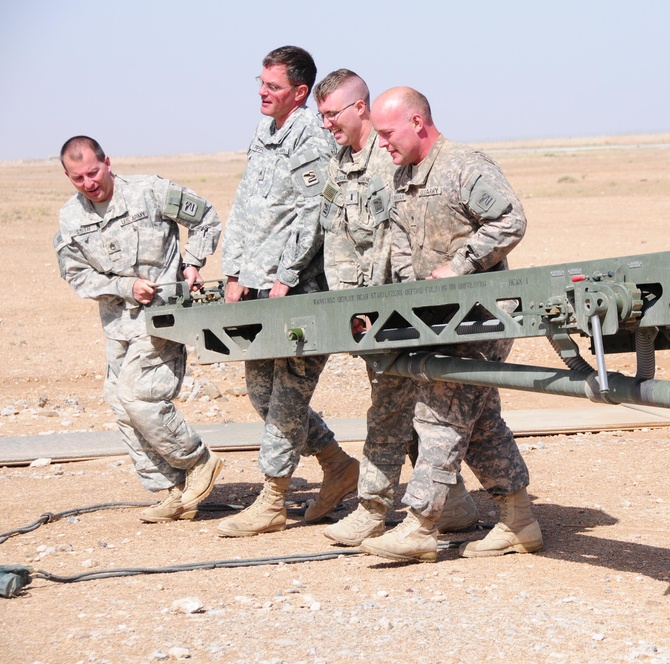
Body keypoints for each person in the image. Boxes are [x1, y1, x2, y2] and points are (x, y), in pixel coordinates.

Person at [359, 87, 543, 562]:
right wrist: (404, 297)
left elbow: (510, 219)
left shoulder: (465, 165)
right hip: (434, 322)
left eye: (387, 133)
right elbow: (401, 244)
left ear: (417, 122)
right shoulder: (402, 177)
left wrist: (461, 265)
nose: (382, 144)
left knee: (439, 414)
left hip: (480, 318)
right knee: (479, 422)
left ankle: (420, 526)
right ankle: (519, 520)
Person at [311, 70, 479, 547]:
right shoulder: (338, 164)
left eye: (332, 115)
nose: (326, 125)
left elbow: (401, 242)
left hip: (396, 311)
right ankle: (456, 508)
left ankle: (374, 508)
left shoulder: (393, 161)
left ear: (359, 108)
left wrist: (398, 302)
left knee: (394, 411)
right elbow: (335, 236)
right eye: (320, 116)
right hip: (362, 312)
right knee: (407, 410)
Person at [218, 46, 358, 537]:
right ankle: (337, 463)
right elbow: (246, 202)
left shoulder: (311, 139)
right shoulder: (265, 132)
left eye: (273, 86)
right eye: (260, 82)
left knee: (287, 400)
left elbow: (313, 213)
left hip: (298, 292)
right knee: (260, 392)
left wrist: (288, 275)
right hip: (256, 286)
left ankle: (273, 499)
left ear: (299, 93)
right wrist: (233, 270)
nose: (262, 92)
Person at [54, 136, 224, 523]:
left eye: (94, 172)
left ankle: (198, 461)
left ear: (108, 162)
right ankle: (171, 492)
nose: (89, 183)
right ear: (68, 176)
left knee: (139, 397)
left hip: (163, 318)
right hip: (118, 325)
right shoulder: (71, 218)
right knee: (120, 404)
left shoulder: (150, 191)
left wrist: (192, 263)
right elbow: (77, 275)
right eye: (78, 177)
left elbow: (206, 218)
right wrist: (122, 286)